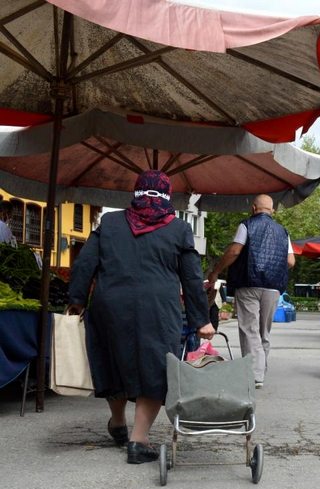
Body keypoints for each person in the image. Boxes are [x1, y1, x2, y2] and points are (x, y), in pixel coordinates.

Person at [67, 170, 214, 465]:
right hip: (157, 309)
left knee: (114, 360)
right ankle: (138, 439)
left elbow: (85, 264)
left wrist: (77, 300)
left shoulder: (109, 223)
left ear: (136, 193)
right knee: (156, 369)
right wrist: (202, 320)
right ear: (167, 195)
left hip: (110, 305)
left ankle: (118, 422)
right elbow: (192, 278)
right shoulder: (179, 229)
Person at [206, 194, 294, 389]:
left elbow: (235, 251)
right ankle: (260, 370)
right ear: (272, 211)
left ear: (254, 208)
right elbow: (290, 261)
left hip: (248, 284)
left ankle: (254, 374)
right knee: (264, 331)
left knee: (249, 329)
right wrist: (273, 271)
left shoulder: (246, 225)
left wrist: (216, 271)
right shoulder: (283, 231)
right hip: (273, 288)